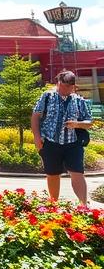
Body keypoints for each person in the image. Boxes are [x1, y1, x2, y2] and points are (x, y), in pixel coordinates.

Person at [31, 70, 93, 205]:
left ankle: (83, 206)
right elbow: (36, 115)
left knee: (77, 173)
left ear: (73, 86)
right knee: (52, 174)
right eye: (61, 85)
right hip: (50, 142)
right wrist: (37, 137)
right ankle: (54, 205)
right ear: (58, 83)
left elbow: (89, 122)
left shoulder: (79, 101)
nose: (64, 89)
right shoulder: (47, 96)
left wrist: (77, 124)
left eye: (68, 87)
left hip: (73, 143)